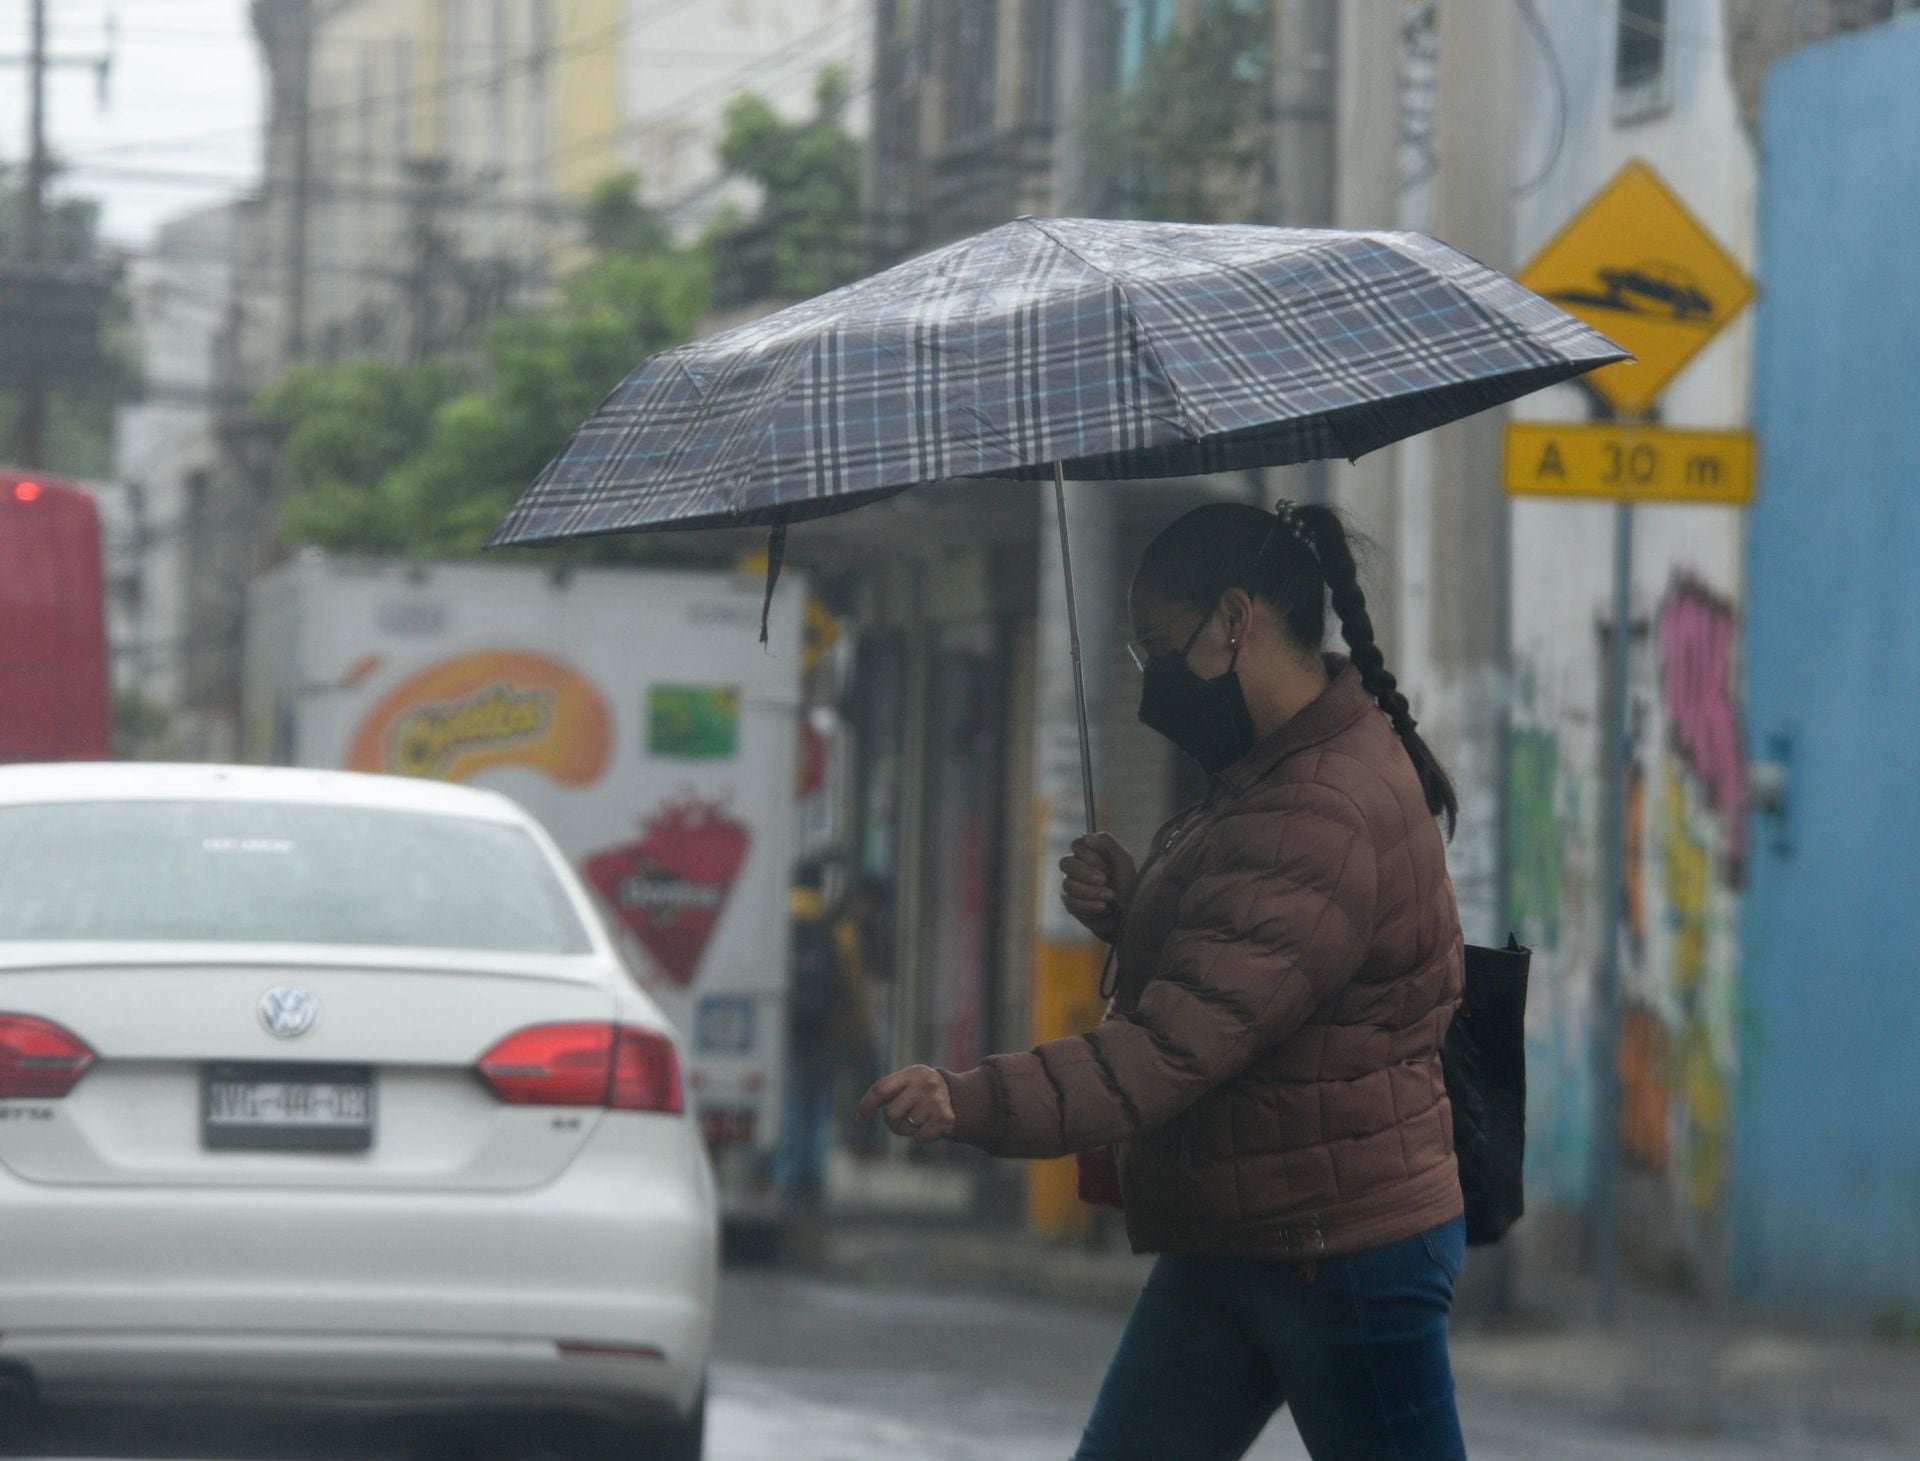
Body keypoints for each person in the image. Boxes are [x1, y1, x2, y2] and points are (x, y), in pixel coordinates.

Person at [859, 501, 1470, 1460]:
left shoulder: (1319, 804)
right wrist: (1140, 908)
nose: (1152, 679)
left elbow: (1175, 1044)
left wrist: (968, 1100)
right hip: (1245, 1226)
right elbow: (1252, 963)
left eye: (1156, 647)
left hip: (1334, 1246)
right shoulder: (1282, 769)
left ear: (1236, 621)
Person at [774, 862, 850, 1205]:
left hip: (786, 1024)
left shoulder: (778, 920)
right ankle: (813, 1175)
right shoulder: (830, 925)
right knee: (818, 1101)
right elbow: (847, 980)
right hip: (823, 1026)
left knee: (790, 1099)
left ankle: (788, 1174)